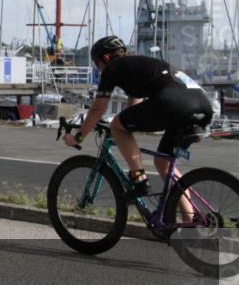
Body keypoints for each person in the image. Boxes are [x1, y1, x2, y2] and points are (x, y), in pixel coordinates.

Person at [63, 35, 214, 196]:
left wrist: (78, 137)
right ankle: (188, 217)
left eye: (97, 64)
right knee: (164, 164)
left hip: (174, 104)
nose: (98, 69)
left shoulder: (112, 68)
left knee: (116, 125)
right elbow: (132, 112)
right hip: (203, 105)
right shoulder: (139, 66)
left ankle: (139, 180)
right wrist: (121, 132)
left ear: (106, 58)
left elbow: (97, 109)